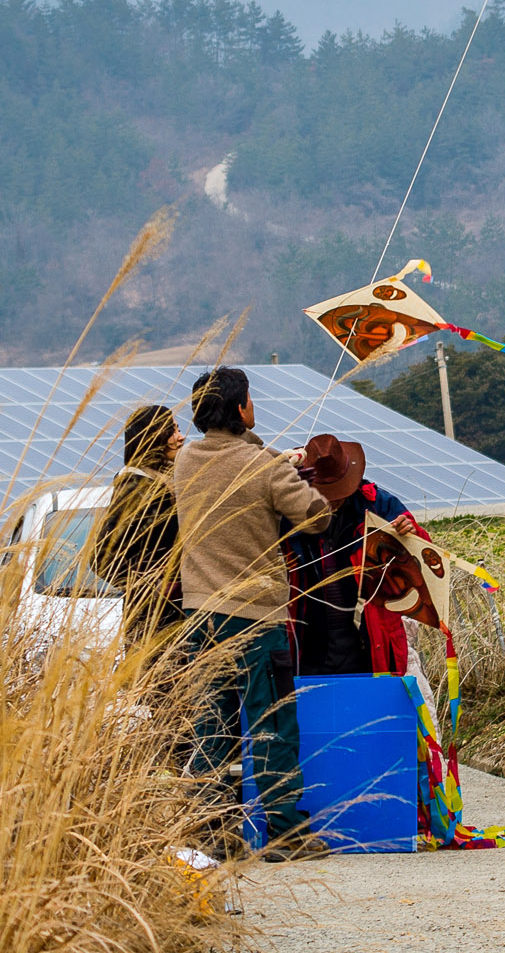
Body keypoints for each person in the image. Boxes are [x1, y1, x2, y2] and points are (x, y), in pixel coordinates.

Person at [174, 366, 333, 859]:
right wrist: (280, 463)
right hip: (256, 618)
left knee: (211, 727)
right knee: (271, 724)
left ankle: (214, 837)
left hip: (199, 615)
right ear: (242, 407)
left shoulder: (184, 460)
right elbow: (316, 515)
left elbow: (235, 459)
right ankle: (286, 834)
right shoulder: (263, 465)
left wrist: (265, 454)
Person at [287, 433, 425, 677]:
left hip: (370, 644)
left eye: (338, 491)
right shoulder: (288, 511)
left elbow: (422, 555)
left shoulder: (375, 504)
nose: (333, 500)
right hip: (308, 650)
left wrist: (410, 532)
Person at [92, 403, 185, 649]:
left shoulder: (168, 481)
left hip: (172, 615)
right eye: (172, 431)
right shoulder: (136, 487)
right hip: (151, 622)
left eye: (178, 428)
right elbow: (101, 557)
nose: (180, 436)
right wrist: (151, 587)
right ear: (154, 437)